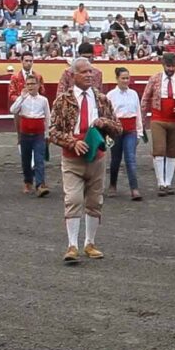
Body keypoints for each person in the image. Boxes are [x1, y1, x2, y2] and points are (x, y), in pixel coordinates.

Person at [47, 50, 118, 264]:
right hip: (72, 157)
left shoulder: (102, 100)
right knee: (74, 199)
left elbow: (118, 128)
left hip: (97, 156)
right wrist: (72, 142)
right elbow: (52, 131)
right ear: (73, 75)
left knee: (95, 201)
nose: (89, 75)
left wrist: (104, 123)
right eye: (84, 72)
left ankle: (90, 243)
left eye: (91, 72)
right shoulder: (63, 101)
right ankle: (72, 245)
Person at [143, 52, 175, 196]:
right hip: (158, 118)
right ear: (163, 65)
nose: (171, 69)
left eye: (173, 66)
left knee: (172, 152)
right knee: (159, 150)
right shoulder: (154, 79)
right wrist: (142, 119)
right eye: (168, 66)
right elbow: (145, 98)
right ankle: (161, 183)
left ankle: (168, 183)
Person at [10, 72, 52, 198]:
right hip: (25, 134)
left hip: (39, 134)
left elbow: (47, 117)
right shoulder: (22, 99)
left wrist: (48, 134)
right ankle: (28, 182)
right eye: (28, 84)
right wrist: (21, 98)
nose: (30, 86)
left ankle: (40, 184)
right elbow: (13, 110)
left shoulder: (43, 100)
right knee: (26, 160)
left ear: (38, 85)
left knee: (39, 159)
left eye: (33, 84)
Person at [107, 67, 144, 202]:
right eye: (123, 78)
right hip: (115, 130)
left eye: (127, 78)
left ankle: (134, 188)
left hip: (131, 130)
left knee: (130, 159)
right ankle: (112, 184)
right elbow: (107, 115)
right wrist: (107, 134)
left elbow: (138, 113)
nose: (125, 81)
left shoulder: (133, 94)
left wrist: (139, 132)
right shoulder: (110, 95)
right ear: (117, 79)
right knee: (115, 159)